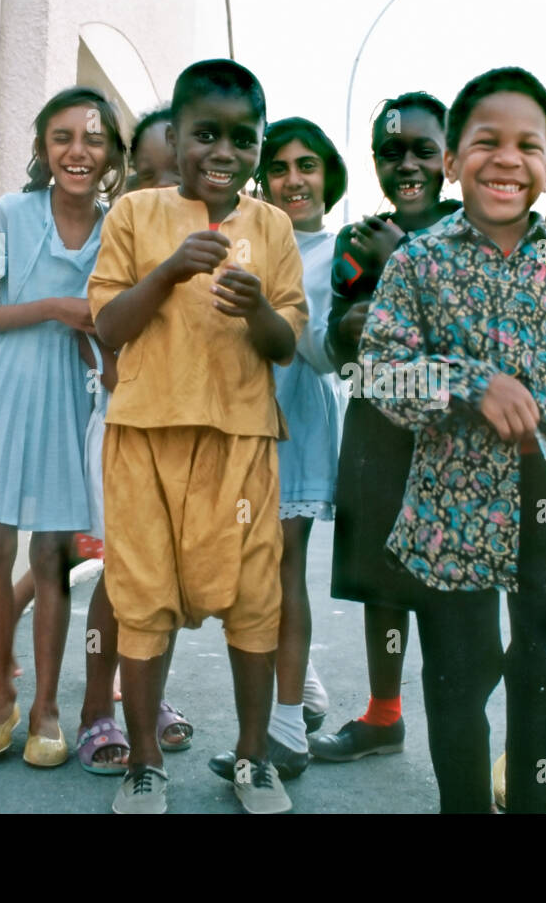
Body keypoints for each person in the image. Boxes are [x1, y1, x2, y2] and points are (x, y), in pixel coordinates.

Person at [360, 67, 546, 813]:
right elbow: (379, 377)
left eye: (528, 145)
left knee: (544, 709)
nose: (507, 158)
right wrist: (470, 384)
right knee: (457, 697)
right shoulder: (417, 263)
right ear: (451, 161)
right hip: (448, 523)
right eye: (486, 142)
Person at [88, 59, 307, 814]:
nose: (223, 151)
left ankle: (252, 758)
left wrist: (257, 311)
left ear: (258, 146)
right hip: (144, 436)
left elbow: (285, 345)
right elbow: (107, 326)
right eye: (204, 134)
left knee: (254, 597)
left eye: (242, 139)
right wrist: (169, 271)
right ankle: (144, 761)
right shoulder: (134, 216)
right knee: (141, 595)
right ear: (175, 136)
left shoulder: (272, 226)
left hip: (241, 440)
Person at [0, 86, 125, 768]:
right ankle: (1, 693)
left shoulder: (120, 226)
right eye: (62, 137)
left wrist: (99, 347)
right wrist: (53, 305)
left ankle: (48, 707)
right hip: (9, 391)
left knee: (51, 556)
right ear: (44, 148)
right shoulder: (8, 215)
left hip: (72, 397)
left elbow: (109, 326)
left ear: (112, 154)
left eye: (94, 138)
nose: (77, 151)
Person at [308, 93, 461, 764]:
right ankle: (384, 713)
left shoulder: (474, 230)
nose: (407, 163)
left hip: (454, 440)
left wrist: (402, 260)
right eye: (391, 151)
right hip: (376, 429)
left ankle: (460, 723)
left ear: (449, 158)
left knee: (451, 585)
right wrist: (348, 329)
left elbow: (466, 334)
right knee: (380, 579)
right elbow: (344, 351)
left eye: (422, 150)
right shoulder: (355, 238)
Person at [208, 117, 347, 780]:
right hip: (236, 419)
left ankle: (280, 732)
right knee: (242, 576)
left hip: (295, 417)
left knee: (280, 571)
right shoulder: (246, 237)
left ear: (329, 177)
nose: (295, 179)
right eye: (283, 167)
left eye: (309, 165)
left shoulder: (343, 250)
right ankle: (303, 689)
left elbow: (326, 354)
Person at [73, 105, 193, 776]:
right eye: (141, 175)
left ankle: (147, 702)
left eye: (169, 174)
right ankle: (97, 709)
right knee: (124, 577)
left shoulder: (224, 244)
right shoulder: (117, 244)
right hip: (127, 430)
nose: (153, 188)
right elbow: (113, 348)